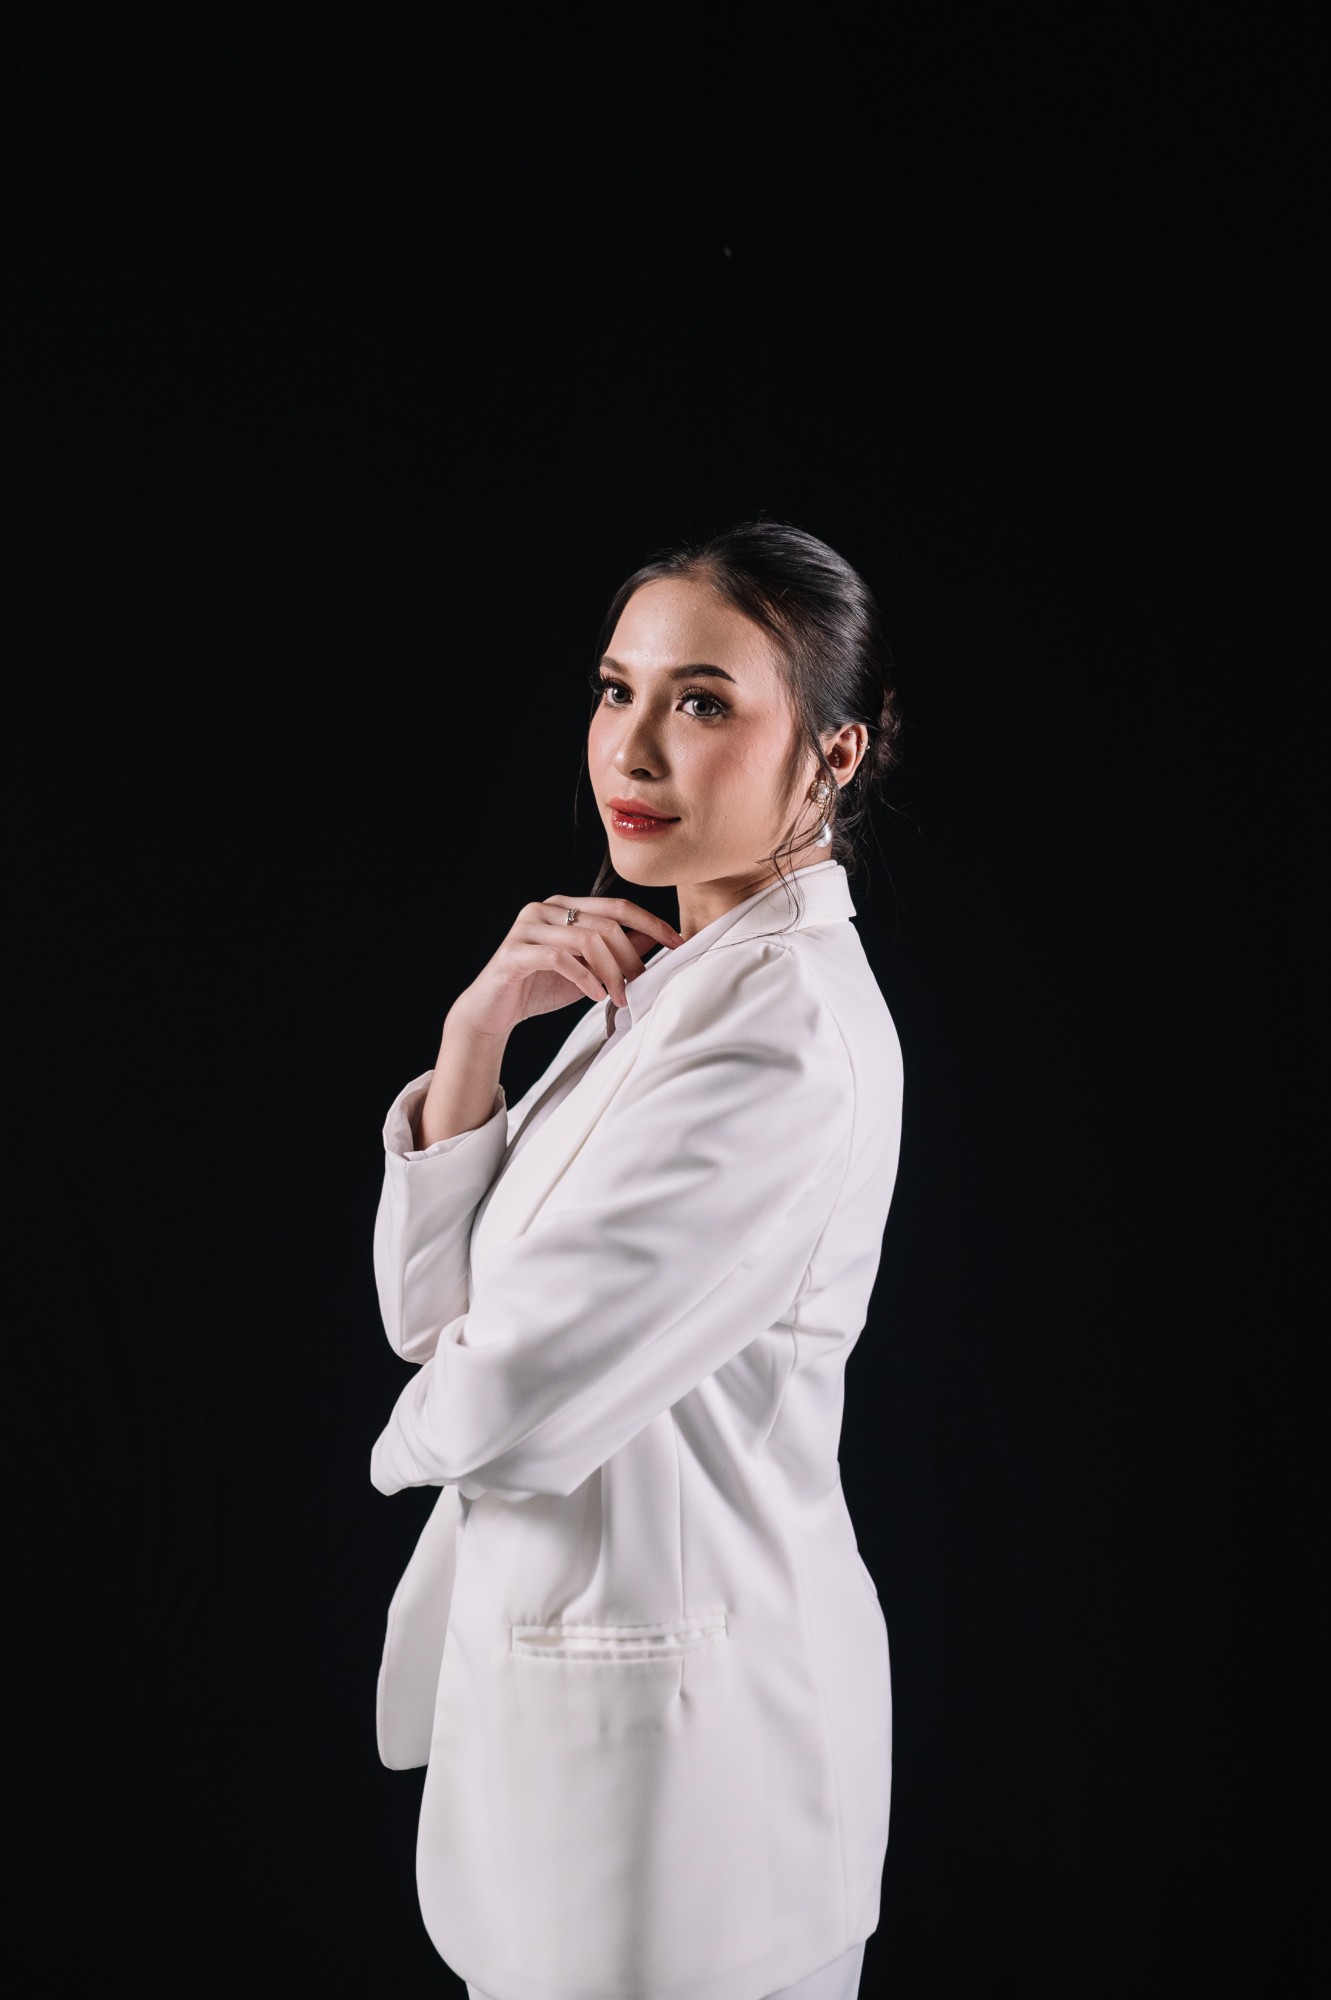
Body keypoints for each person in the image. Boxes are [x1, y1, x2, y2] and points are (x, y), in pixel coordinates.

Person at [369, 522, 906, 2000]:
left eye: (705, 701)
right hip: (578, 1753)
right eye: (619, 689)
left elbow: (499, 1408)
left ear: (834, 754)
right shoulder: (670, 990)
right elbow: (431, 1316)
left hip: (694, 1792)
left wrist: (413, 1435)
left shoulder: (778, 1039)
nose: (635, 747)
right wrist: (476, 1039)